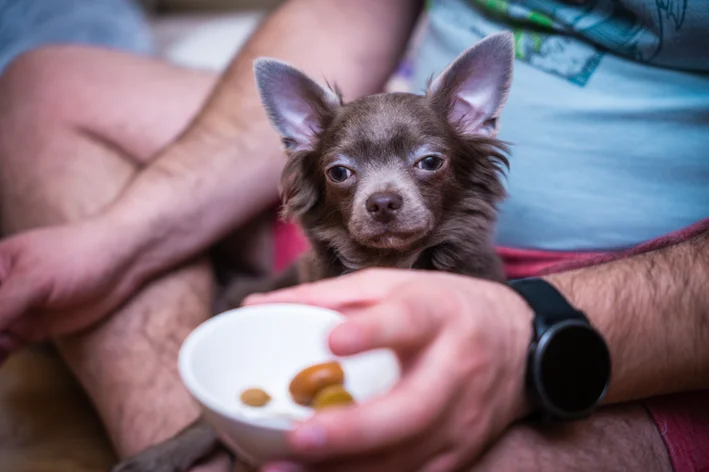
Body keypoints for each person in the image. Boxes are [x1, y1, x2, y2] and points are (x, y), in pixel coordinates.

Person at [0, 0, 706, 471]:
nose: (385, 196)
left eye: (423, 165)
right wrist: (120, 235)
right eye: (344, 171)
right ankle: (216, 427)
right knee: (48, 88)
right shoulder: (341, 195)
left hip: (632, 305)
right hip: (337, 246)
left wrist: (535, 329)